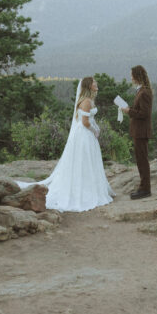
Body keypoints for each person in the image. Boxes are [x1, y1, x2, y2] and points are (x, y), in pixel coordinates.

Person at [22, 76, 114, 212]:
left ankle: (88, 187)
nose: (96, 83)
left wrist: (96, 128)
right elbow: (85, 122)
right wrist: (95, 130)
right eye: (94, 82)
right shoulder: (86, 102)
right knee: (83, 162)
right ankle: (83, 191)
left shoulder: (89, 100)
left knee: (87, 162)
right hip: (84, 135)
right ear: (89, 86)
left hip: (86, 134)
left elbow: (89, 119)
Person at [121, 65, 153, 200]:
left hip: (141, 131)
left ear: (137, 76)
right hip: (138, 131)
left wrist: (129, 111)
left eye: (132, 75)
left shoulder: (144, 92)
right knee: (140, 160)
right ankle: (143, 187)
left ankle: (145, 189)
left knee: (142, 160)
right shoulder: (141, 91)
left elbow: (145, 114)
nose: (131, 78)